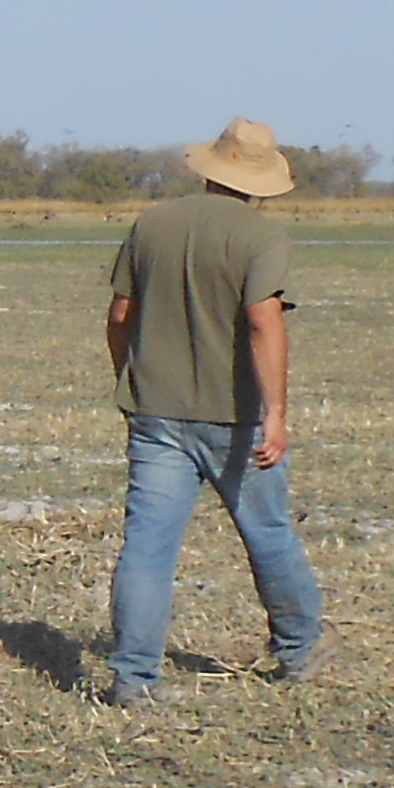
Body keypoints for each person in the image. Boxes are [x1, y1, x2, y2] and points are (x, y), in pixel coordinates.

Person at [100, 114, 327, 708]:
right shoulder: (261, 237)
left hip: (154, 414)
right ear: (260, 181)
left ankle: (133, 679)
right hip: (237, 420)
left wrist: (133, 375)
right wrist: (276, 413)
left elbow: (121, 314)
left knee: (147, 548)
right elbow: (263, 321)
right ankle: (299, 652)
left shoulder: (152, 224)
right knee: (269, 533)